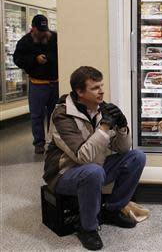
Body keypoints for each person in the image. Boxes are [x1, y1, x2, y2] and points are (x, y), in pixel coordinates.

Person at [43, 66, 146, 251]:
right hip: (63, 174)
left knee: (137, 157)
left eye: (102, 86)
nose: (102, 91)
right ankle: (87, 228)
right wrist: (105, 126)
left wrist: (122, 127)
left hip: (95, 168)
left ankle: (112, 210)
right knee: (93, 171)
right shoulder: (62, 116)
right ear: (79, 92)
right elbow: (83, 157)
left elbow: (122, 148)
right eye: (95, 88)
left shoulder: (100, 109)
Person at [13, 14, 59, 154]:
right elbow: (18, 60)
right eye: (40, 30)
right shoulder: (24, 42)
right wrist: (35, 59)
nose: (44, 33)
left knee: (55, 115)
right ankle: (39, 143)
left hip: (55, 83)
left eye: (45, 30)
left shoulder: (54, 37)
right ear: (33, 29)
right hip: (38, 84)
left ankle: (54, 142)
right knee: (37, 115)